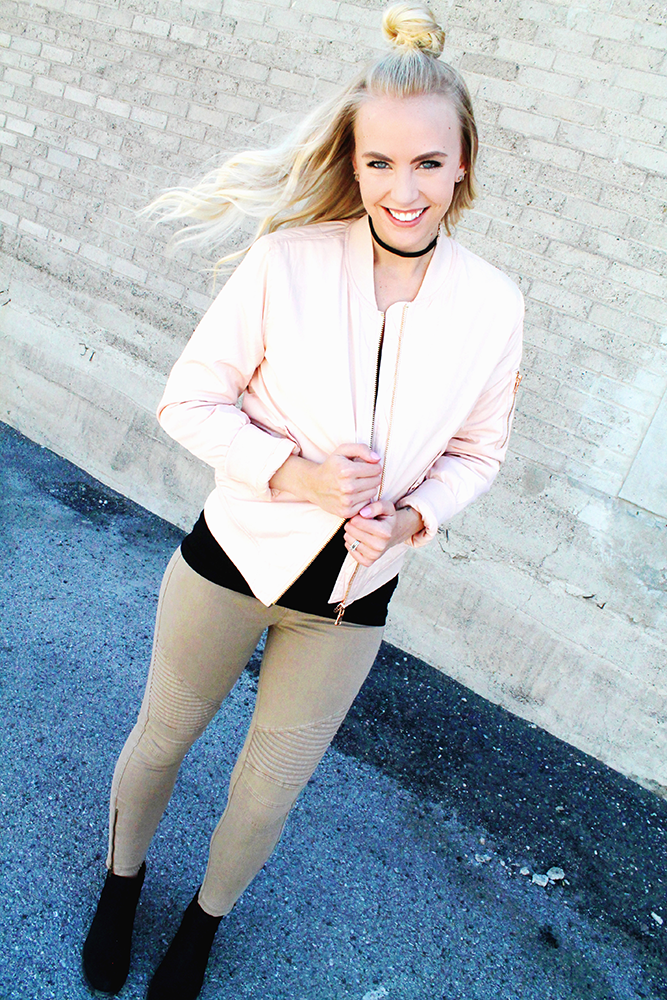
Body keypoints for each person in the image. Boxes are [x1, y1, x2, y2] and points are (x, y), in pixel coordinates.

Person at [82, 4, 524, 998]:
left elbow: (478, 452)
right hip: (230, 562)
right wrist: (298, 475)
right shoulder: (287, 260)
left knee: (266, 792)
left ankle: (201, 927)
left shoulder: (495, 305)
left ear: (462, 164)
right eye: (380, 163)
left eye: (427, 163)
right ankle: (120, 884)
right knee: (162, 738)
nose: (403, 190)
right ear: (353, 164)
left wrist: (411, 518)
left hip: (351, 600)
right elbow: (187, 401)